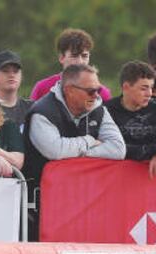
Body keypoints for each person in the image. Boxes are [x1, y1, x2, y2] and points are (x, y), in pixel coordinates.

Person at [22, 64, 125, 241]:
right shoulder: (42, 112)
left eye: (98, 90)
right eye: (90, 91)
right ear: (69, 90)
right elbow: (55, 150)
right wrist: (89, 141)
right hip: (40, 205)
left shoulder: (99, 109)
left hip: (82, 202)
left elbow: (118, 149)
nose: (96, 95)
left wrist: (76, 152)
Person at [105, 61, 156, 177]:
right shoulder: (107, 110)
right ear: (126, 87)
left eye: (151, 88)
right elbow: (111, 149)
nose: (149, 93)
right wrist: (155, 149)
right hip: (116, 179)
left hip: (152, 179)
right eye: (144, 88)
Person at [29, 28, 111, 102]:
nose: (80, 61)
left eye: (84, 56)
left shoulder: (101, 93)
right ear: (61, 58)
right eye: (74, 56)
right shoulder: (42, 88)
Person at [0, 50, 33, 127]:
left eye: (16, 71)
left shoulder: (33, 109)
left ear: (21, 76)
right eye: (5, 71)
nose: (11, 75)